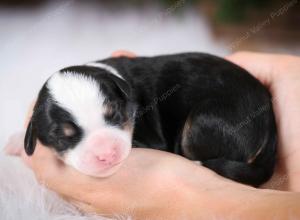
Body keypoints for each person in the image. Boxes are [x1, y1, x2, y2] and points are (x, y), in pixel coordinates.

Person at [17, 51, 300, 219]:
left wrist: (187, 194)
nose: (105, 151)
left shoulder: (135, 91)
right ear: (36, 136)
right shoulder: (110, 88)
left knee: (196, 132)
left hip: (228, 112)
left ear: (125, 96)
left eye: (113, 118)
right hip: (244, 120)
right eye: (68, 138)